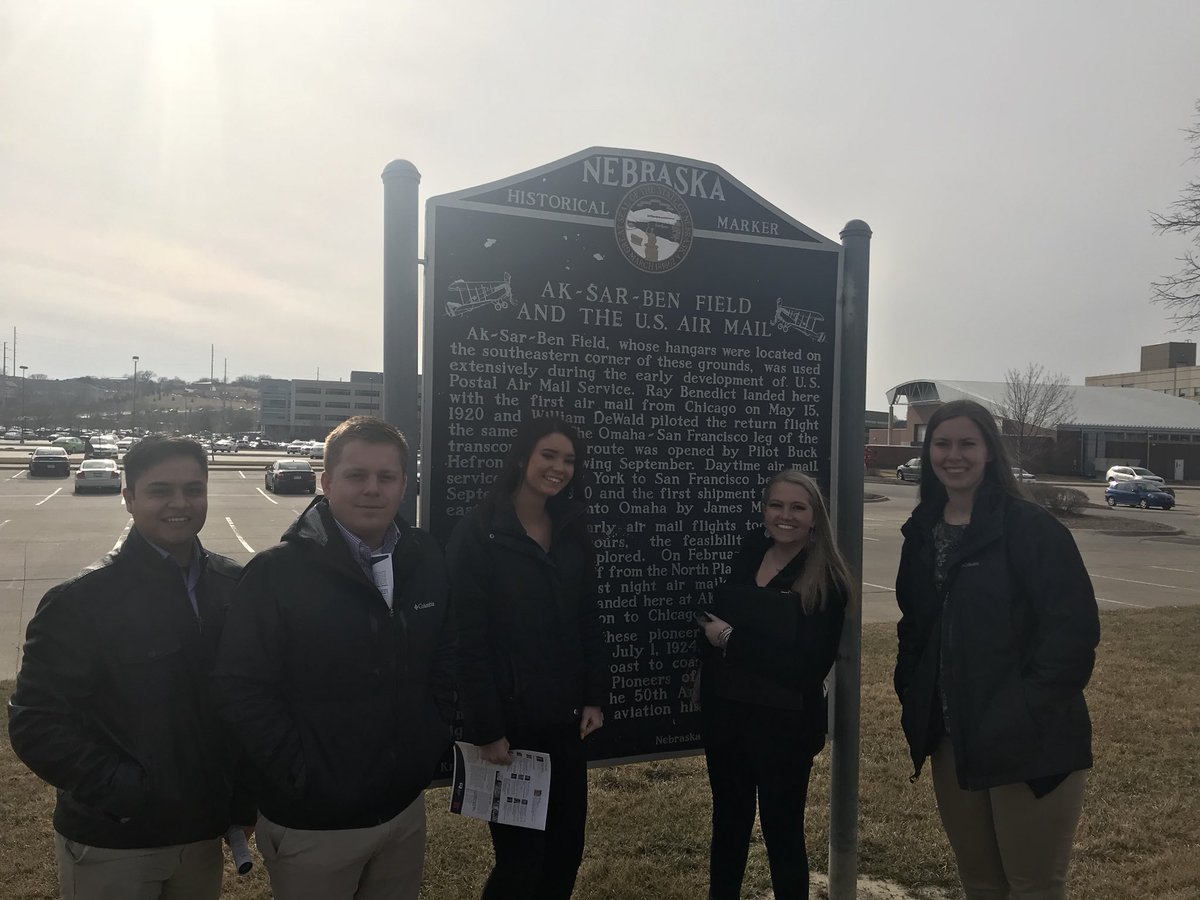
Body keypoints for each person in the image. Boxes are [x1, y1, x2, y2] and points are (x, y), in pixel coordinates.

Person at [211, 416, 454, 900]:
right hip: (314, 824)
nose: (372, 489)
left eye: (387, 477)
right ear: (326, 482)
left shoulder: (424, 557)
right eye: (356, 475)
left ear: (405, 484)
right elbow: (241, 688)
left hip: (403, 811)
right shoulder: (276, 574)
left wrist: (429, 740)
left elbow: (442, 657)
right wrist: (301, 776)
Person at [8, 436, 252, 900]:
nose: (179, 503)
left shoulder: (234, 585)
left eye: (193, 489)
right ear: (129, 498)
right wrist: (130, 794)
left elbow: (241, 704)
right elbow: (36, 723)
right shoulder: (79, 601)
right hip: (114, 841)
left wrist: (240, 798)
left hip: (202, 834)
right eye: (160, 490)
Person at [894, 399, 1099, 899]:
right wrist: (912, 692)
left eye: (967, 443)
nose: (953, 455)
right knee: (981, 883)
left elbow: (1071, 633)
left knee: (1032, 886)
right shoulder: (922, 531)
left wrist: (1024, 709)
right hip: (950, 737)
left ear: (989, 451)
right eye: (942, 444)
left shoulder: (1029, 527)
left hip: (1029, 741)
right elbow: (915, 629)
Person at [447, 416, 609, 900]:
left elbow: (588, 617)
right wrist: (488, 728)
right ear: (523, 457)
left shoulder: (572, 529)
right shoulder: (479, 531)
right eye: (549, 455)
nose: (559, 468)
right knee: (520, 863)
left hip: (565, 723)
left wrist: (594, 697)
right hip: (511, 729)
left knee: (565, 852)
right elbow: (466, 637)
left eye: (569, 460)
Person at [696, 469, 853, 900]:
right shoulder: (748, 553)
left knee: (783, 832)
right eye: (776, 505)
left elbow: (805, 667)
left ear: (815, 517)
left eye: (797, 507)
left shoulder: (828, 580)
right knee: (728, 824)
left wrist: (730, 639)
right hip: (727, 717)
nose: (785, 516)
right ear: (764, 510)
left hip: (784, 728)